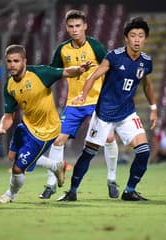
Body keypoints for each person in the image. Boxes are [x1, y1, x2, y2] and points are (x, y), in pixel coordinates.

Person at [57, 16, 158, 202]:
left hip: (127, 113)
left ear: (145, 39)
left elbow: (147, 85)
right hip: (104, 114)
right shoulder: (114, 56)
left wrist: (153, 108)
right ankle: (72, 191)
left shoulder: (146, 61)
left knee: (143, 151)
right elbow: (92, 77)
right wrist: (84, 95)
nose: (137, 39)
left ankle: (129, 190)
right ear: (126, 38)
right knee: (88, 153)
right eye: (133, 35)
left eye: (141, 36)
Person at [0, 44, 93, 203]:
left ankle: (9, 195)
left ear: (24, 61)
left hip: (46, 131)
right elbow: (9, 115)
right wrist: (1, 128)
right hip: (26, 126)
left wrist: (79, 70)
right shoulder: (9, 85)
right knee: (11, 156)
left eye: (16, 61)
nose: (12, 65)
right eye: (9, 61)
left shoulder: (40, 73)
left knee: (17, 168)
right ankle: (55, 165)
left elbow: (65, 72)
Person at [35, 9, 120, 199]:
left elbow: (110, 69)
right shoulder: (62, 49)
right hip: (74, 104)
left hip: (97, 101)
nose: (74, 30)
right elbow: (52, 73)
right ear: (66, 28)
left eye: (78, 26)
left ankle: (112, 179)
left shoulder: (95, 47)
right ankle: (50, 183)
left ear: (85, 26)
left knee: (108, 138)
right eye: (71, 26)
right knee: (58, 140)